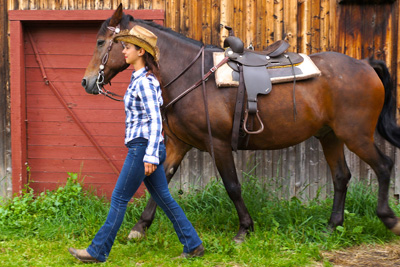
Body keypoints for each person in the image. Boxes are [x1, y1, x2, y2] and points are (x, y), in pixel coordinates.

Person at [68, 25, 204, 263]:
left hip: (143, 148)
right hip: (144, 147)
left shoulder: (145, 82)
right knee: (164, 198)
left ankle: (97, 251)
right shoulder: (140, 79)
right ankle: (193, 244)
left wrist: (151, 155)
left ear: (141, 51)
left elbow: (154, 120)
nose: (123, 51)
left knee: (119, 198)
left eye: (128, 47)